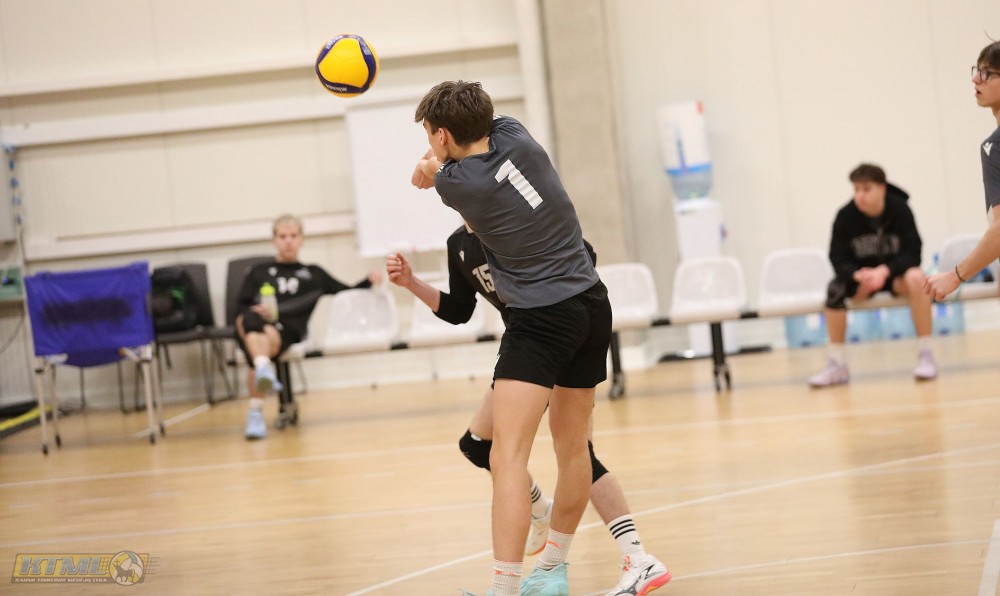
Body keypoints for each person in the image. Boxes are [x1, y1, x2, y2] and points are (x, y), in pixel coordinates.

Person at [412, 80, 617, 596]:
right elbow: (458, 149)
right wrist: (433, 161)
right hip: (592, 303)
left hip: (541, 318)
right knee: (574, 449)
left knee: (506, 457)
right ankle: (553, 571)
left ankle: (503, 590)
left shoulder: (461, 185)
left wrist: (427, 167)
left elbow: (436, 173)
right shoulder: (517, 135)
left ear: (442, 135)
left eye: (430, 134)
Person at [386, 225, 670, 595]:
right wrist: (412, 283)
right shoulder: (459, 244)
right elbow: (459, 310)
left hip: (557, 338)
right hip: (527, 350)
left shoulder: (518, 221)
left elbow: (585, 256)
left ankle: (636, 556)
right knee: (479, 445)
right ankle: (541, 511)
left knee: (577, 452)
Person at [235, 214, 381, 440]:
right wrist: (257, 311)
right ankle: (263, 369)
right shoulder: (258, 271)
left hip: (286, 332)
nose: (288, 241)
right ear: (274, 240)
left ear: (301, 239)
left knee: (256, 347)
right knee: (249, 321)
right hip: (256, 325)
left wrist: (369, 280)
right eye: (283, 236)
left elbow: (347, 292)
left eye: (293, 236)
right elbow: (239, 306)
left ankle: (256, 408)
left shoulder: (313, 274)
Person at [808, 163, 937, 388]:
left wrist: (885, 271)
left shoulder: (900, 210)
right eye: (856, 189)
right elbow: (837, 257)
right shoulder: (845, 216)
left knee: (918, 278)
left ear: (882, 189)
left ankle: (926, 354)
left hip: (894, 276)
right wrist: (857, 276)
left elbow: (913, 252)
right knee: (834, 290)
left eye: (866, 189)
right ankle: (837, 364)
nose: (860, 195)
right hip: (863, 280)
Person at [925, 41, 1000, 301]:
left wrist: (955, 275)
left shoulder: (995, 147)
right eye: (977, 70)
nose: (975, 79)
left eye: (987, 73)